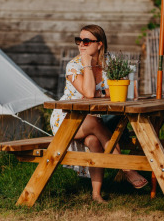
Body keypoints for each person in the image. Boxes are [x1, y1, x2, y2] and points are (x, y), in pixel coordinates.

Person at [50, 25, 148, 203]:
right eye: (78, 40)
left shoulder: (110, 61)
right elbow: (88, 93)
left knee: (94, 140)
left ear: (100, 44)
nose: (81, 45)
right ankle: (126, 169)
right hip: (66, 118)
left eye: (86, 41)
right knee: (95, 124)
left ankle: (96, 194)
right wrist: (87, 65)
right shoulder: (73, 65)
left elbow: (122, 87)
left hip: (92, 119)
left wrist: (101, 93)